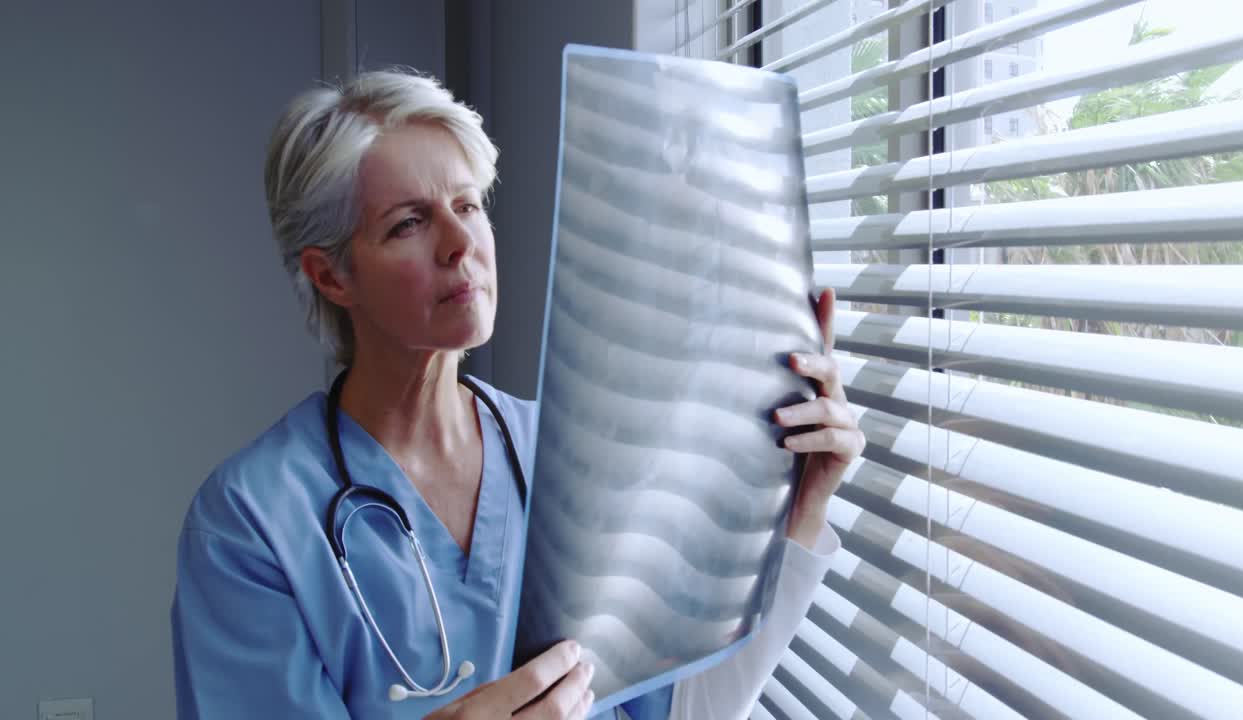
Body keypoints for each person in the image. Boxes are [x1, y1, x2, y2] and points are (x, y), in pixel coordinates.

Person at [171, 69, 865, 720]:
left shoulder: (571, 456)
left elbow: (680, 711)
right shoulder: (252, 523)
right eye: (408, 223)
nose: (458, 243)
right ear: (331, 277)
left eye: (467, 204)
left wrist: (803, 509)